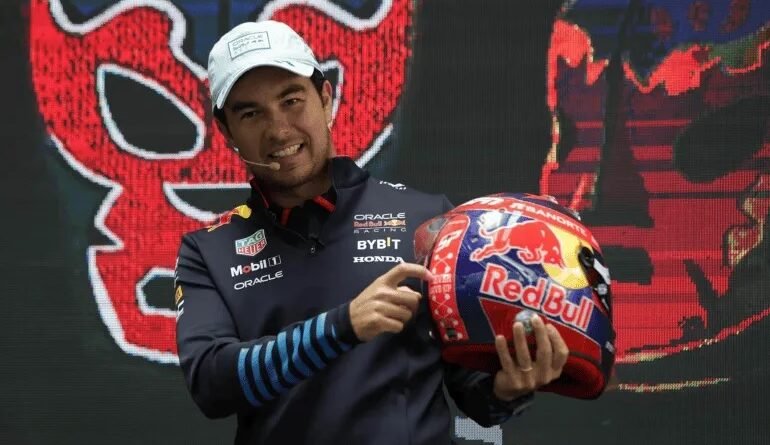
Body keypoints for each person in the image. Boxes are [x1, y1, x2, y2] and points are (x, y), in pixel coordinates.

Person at [174, 20, 569, 444]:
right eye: (251, 113)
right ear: (227, 132)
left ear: (326, 99)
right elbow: (211, 385)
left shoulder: (427, 217)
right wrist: (341, 327)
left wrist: (507, 388)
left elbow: (474, 396)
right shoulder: (208, 250)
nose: (279, 129)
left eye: (292, 100)